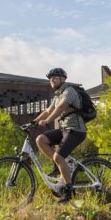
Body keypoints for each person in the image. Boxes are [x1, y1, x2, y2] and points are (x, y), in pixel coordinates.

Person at [33, 68, 86, 203]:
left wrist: (48, 121)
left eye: (55, 77)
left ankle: (68, 191)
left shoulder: (69, 91)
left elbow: (61, 108)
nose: (52, 80)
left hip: (76, 130)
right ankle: (61, 167)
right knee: (41, 139)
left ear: (63, 79)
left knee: (58, 156)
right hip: (64, 130)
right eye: (50, 78)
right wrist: (33, 122)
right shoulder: (57, 95)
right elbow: (48, 110)